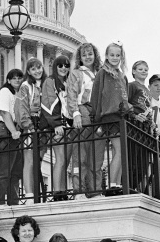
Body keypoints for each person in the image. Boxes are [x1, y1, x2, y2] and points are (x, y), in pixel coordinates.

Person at [90, 43, 133, 194]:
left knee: (120, 151)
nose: (115, 58)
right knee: (120, 150)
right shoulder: (102, 73)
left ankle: (116, 183)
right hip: (108, 116)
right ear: (106, 56)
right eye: (112, 55)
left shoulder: (123, 76)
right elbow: (95, 95)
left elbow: (125, 97)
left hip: (121, 116)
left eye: (118, 55)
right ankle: (112, 184)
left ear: (122, 57)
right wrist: (96, 118)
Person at [66, 43, 103, 199]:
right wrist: (75, 113)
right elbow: (72, 94)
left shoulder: (100, 73)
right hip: (83, 110)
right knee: (80, 154)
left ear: (95, 55)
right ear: (80, 58)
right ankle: (79, 190)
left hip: (99, 113)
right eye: (84, 55)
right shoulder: (76, 73)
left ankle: (96, 190)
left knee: (97, 156)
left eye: (90, 54)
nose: (88, 57)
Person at [41, 55, 75, 202]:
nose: (63, 68)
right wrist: (56, 124)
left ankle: (62, 191)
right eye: (60, 65)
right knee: (60, 159)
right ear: (55, 67)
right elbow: (48, 103)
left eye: (66, 65)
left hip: (69, 125)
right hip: (58, 126)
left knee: (66, 161)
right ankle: (57, 193)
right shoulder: (50, 81)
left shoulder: (69, 82)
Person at [15, 58, 46, 203]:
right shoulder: (25, 86)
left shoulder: (46, 84)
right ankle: (29, 194)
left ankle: (37, 192)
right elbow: (22, 108)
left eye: (39, 67)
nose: (37, 71)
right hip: (31, 125)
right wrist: (29, 126)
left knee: (38, 161)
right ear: (28, 71)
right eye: (33, 69)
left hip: (43, 126)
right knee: (29, 161)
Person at [0, 68, 24, 206]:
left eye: (19, 77)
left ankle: (13, 201)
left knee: (15, 171)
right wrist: (13, 131)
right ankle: (0, 202)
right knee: (5, 171)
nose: (17, 80)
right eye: (14, 78)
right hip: (6, 131)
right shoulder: (5, 92)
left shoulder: (17, 94)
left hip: (14, 132)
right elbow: (4, 112)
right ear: (8, 80)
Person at [128, 60, 153, 127]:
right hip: (134, 122)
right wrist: (134, 116)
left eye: (146, 70)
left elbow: (149, 108)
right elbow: (125, 102)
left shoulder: (148, 91)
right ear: (134, 71)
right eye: (140, 69)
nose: (143, 71)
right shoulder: (132, 85)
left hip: (145, 124)